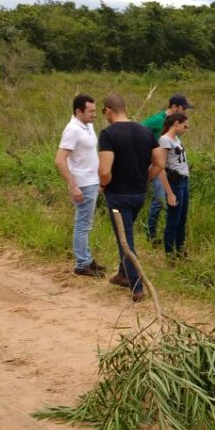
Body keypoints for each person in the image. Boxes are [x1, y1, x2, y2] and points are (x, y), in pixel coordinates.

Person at [97, 93, 166, 302]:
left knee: (125, 241)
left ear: (109, 110)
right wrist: (144, 179)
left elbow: (105, 170)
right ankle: (122, 274)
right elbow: (160, 162)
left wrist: (103, 185)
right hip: (138, 195)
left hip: (118, 197)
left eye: (104, 112)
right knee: (124, 234)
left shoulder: (108, 134)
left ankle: (136, 286)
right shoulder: (144, 131)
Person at [54, 93, 106, 278]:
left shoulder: (88, 125)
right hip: (82, 183)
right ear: (78, 111)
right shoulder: (72, 130)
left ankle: (86, 259)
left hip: (92, 181)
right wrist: (74, 186)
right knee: (83, 224)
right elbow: (60, 160)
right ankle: (82, 264)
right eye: (90, 111)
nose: (94, 114)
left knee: (86, 223)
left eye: (94, 110)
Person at [142, 93, 193, 244]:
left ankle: (162, 236)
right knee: (159, 199)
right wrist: (149, 155)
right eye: (184, 108)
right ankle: (150, 234)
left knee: (166, 202)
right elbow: (137, 132)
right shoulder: (156, 120)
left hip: (168, 166)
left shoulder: (174, 128)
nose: (185, 112)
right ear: (175, 107)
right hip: (158, 165)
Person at [157, 113, 191, 258]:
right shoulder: (165, 140)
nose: (186, 129)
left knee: (182, 219)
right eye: (185, 126)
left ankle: (181, 252)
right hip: (175, 184)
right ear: (176, 123)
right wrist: (169, 193)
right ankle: (170, 255)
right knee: (173, 220)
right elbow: (160, 168)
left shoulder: (176, 139)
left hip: (184, 181)